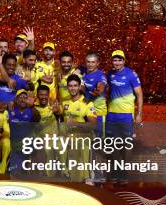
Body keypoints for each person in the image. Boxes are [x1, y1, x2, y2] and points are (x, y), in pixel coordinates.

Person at [106, 50, 143, 183]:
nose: (117, 62)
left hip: (127, 115)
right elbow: (106, 90)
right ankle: (117, 171)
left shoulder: (131, 74)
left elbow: (139, 94)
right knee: (114, 145)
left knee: (126, 145)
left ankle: (125, 173)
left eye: (119, 60)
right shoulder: (109, 74)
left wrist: (139, 114)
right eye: (114, 60)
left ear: (124, 61)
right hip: (112, 115)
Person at [55, 75, 97, 183]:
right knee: (58, 144)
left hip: (83, 136)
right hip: (68, 137)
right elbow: (59, 113)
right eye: (70, 86)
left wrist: (75, 124)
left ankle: (87, 177)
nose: (73, 88)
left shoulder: (87, 103)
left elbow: (93, 125)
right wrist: (55, 111)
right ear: (67, 87)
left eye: (75, 86)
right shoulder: (64, 102)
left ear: (79, 87)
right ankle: (65, 174)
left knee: (82, 145)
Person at [7, 89, 40, 173]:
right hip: (14, 144)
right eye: (20, 97)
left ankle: (29, 163)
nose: (22, 99)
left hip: (26, 143)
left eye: (25, 97)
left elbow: (37, 118)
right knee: (15, 172)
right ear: (16, 99)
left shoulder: (31, 110)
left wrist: (32, 106)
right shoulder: (11, 110)